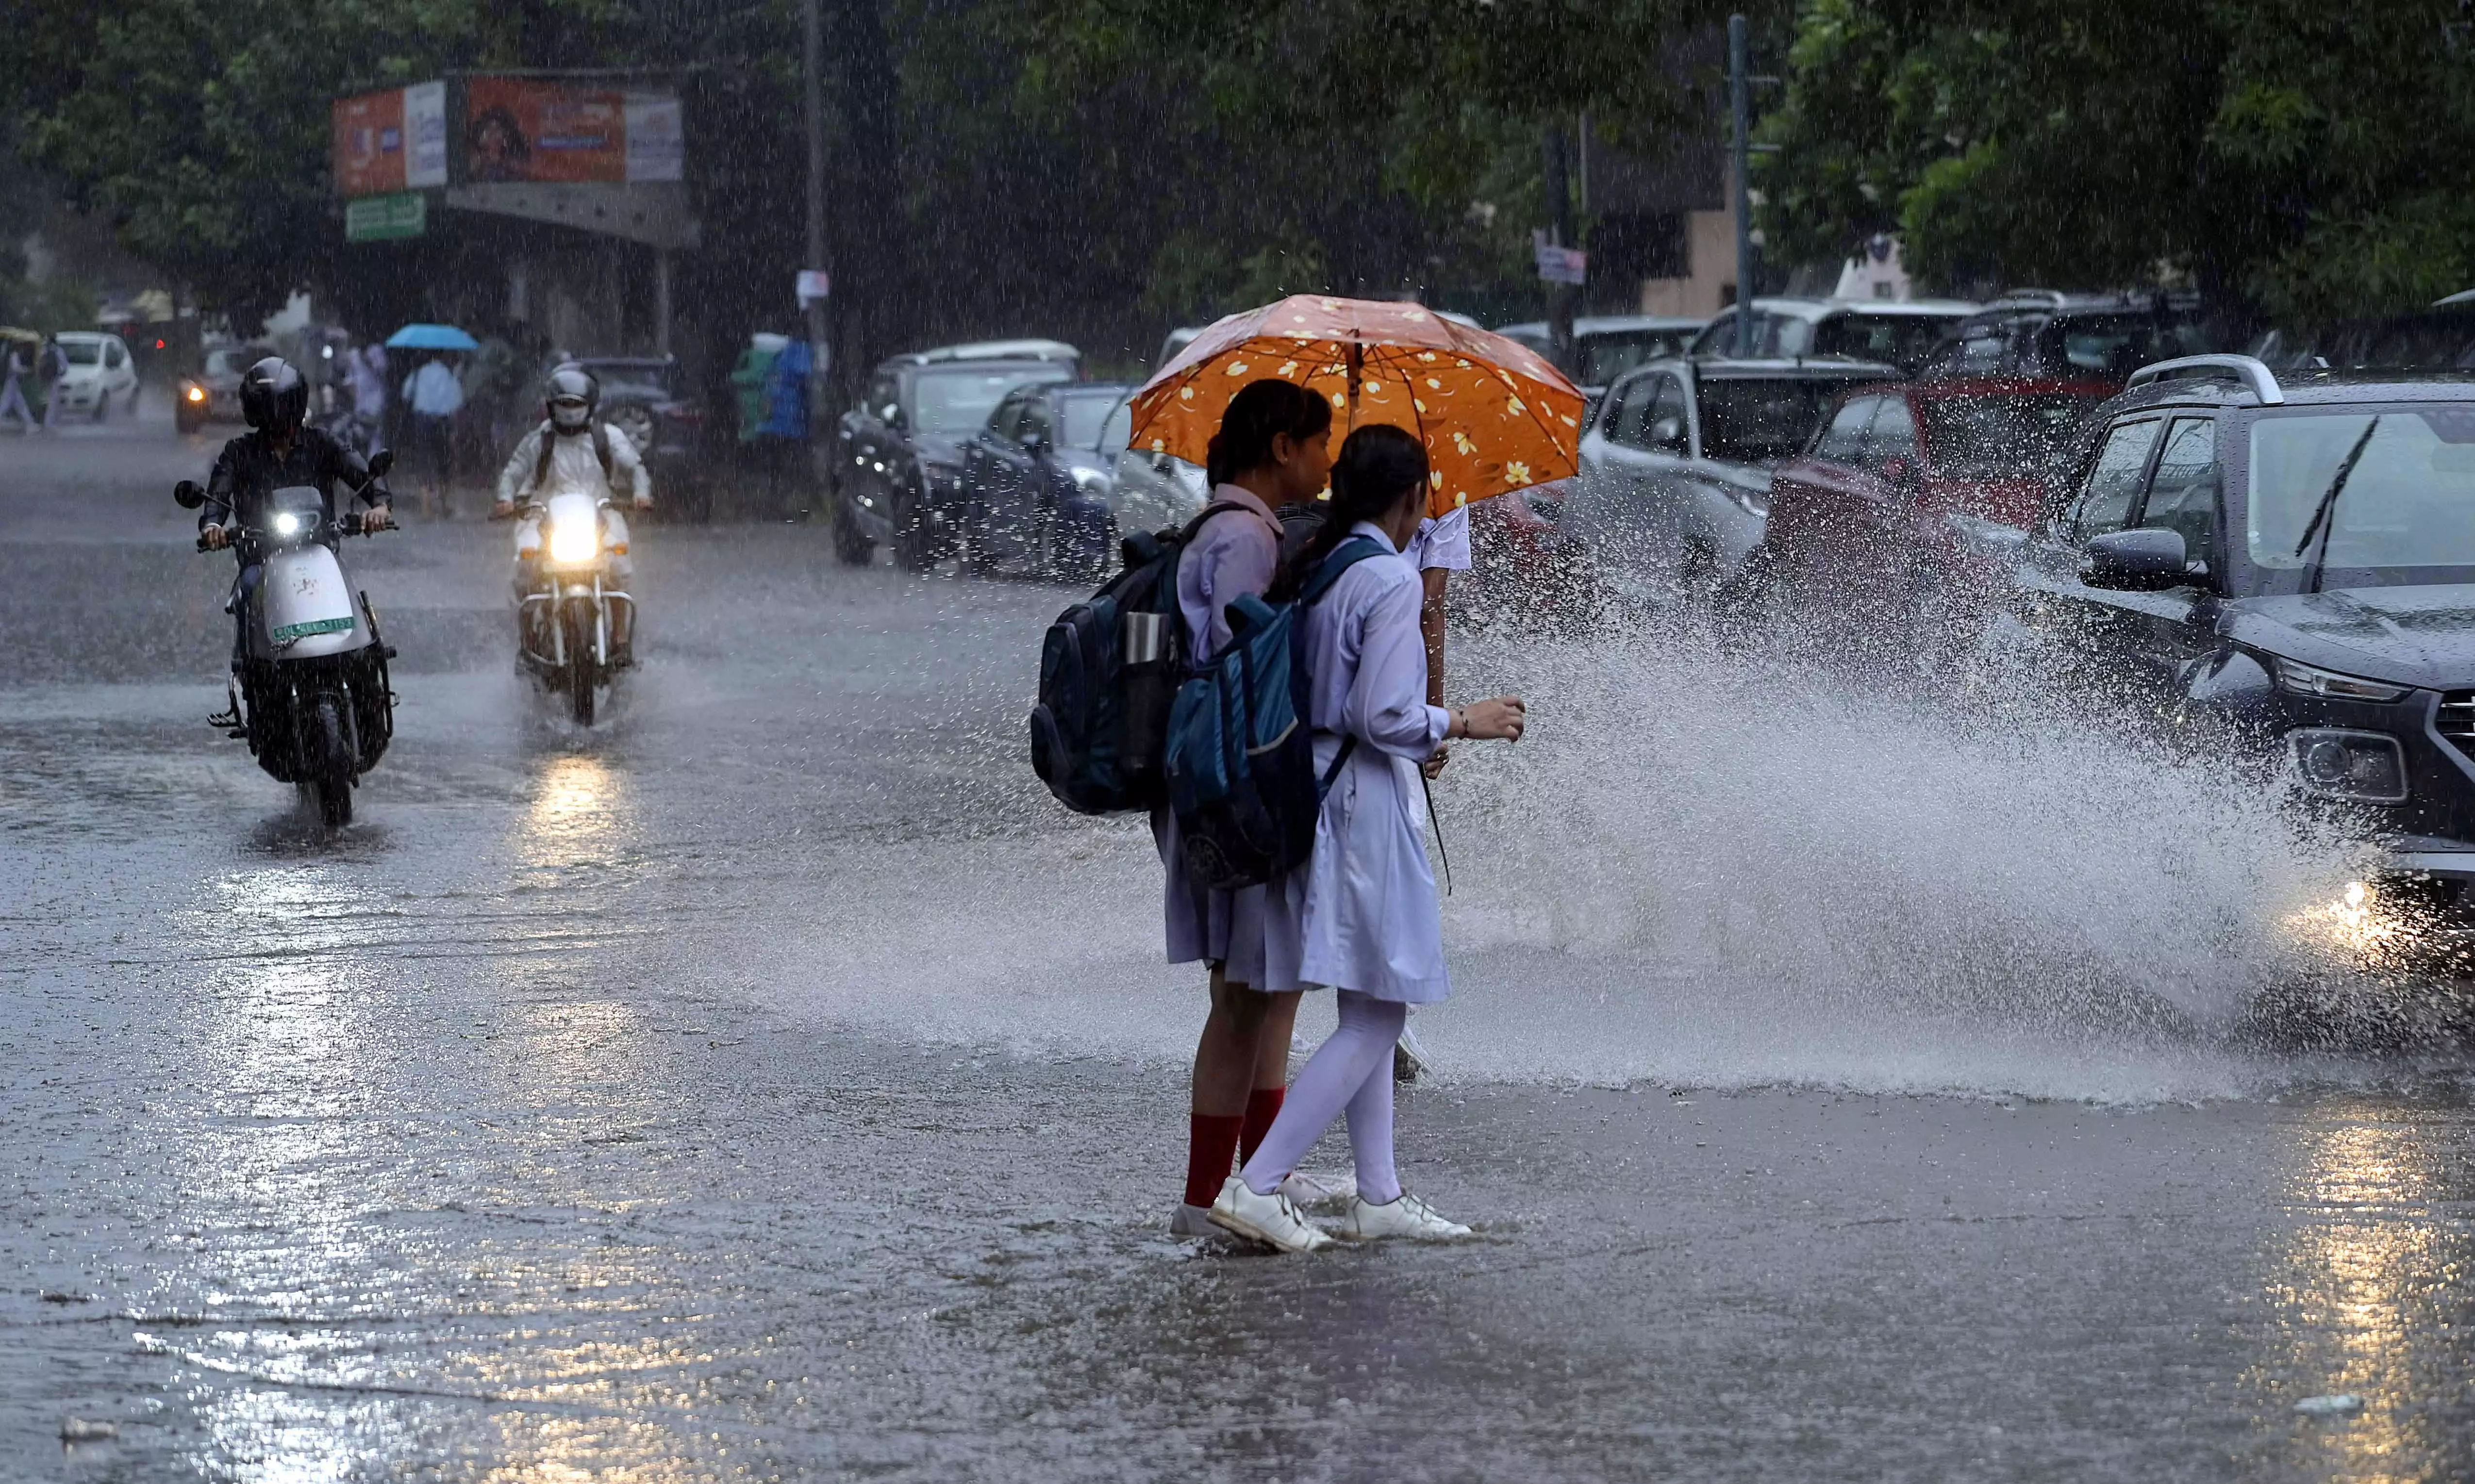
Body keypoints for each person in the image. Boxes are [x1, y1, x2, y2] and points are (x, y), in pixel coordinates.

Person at [1209, 424, 1527, 1254]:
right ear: (1414, 498)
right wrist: (1465, 720)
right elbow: (1381, 715)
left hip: (1325, 789)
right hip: (1361, 801)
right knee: (1376, 1012)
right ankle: (1258, 1182)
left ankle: (1378, 1192)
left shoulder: (1328, 563)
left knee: (1372, 1002)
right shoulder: (1387, 578)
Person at [1163, 378, 1335, 1238]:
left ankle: (1258, 1177)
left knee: (1260, 992)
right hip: (1230, 791)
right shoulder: (1237, 537)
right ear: (1280, 449)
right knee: (1238, 996)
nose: (1326, 459)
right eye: (1318, 442)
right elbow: (1236, 666)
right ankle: (1204, 1201)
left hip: (1219, 788)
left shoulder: (1244, 531)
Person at [197, 359, 395, 684]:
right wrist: (213, 527)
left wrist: (380, 507)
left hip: (320, 554)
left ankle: (369, 688)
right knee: (248, 589)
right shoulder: (238, 453)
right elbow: (218, 495)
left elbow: (360, 472)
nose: (280, 419)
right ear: (256, 412)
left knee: (353, 611)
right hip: (261, 560)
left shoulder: (322, 443)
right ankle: (251, 674)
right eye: (271, 409)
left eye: (285, 407)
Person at [491, 363, 655, 661]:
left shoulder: (609, 437)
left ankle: (619, 639)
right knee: (525, 563)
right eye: (563, 404)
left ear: (589, 406)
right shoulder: (539, 439)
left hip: (601, 512)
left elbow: (636, 468)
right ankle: (527, 642)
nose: (569, 410)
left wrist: (642, 495)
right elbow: (513, 472)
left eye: (575, 404)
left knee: (619, 564)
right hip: (543, 514)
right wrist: (506, 499)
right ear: (551, 406)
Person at [403, 352, 465, 516]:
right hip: (442, 423)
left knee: (424, 462)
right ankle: (444, 504)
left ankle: (426, 508)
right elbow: (457, 401)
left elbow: (406, 394)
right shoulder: (448, 375)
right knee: (443, 463)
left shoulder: (418, 373)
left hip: (422, 421)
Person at [0, 340, 33, 433]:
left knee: (19, 404)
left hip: (12, 382)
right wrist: (27, 370)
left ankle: (30, 423)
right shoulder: (14, 355)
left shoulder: (10, 355)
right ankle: (30, 423)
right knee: (6, 404)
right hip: (12, 381)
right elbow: (16, 368)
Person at [37, 335, 69, 430]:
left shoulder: (43, 350)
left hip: (44, 378)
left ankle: (41, 420)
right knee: (53, 401)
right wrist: (61, 373)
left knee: (44, 399)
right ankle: (49, 422)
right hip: (55, 378)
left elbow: (39, 364)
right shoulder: (58, 351)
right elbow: (64, 366)